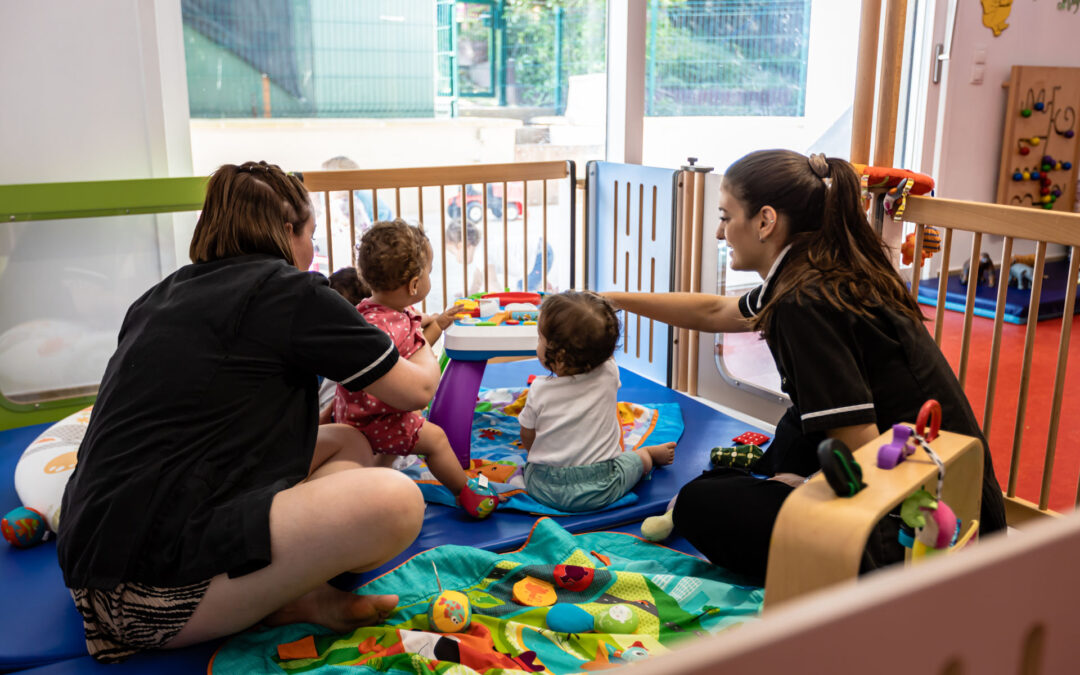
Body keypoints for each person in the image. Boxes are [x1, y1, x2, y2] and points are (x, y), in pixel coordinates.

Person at [57, 161, 441, 663]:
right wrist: (423, 336)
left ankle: (293, 593)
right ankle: (281, 592)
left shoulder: (161, 294)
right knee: (397, 501)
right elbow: (416, 390)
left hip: (91, 562)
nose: (311, 253)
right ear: (287, 233)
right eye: (310, 236)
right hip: (147, 595)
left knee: (348, 442)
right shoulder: (291, 292)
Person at [604, 150, 1008, 584]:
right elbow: (712, 310)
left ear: (765, 221)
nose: (721, 233)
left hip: (927, 535)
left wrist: (810, 487)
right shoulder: (823, 266)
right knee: (792, 427)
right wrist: (613, 300)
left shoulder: (803, 302)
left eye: (725, 217)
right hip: (965, 503)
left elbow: (862, 446)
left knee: (699, 502)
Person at [334, 220, 487, 515]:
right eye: (429, 270)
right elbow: (417, 361)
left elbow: (405, 359)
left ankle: (372, 481)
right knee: (436, 440)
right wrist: (432, 329)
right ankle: (465, 493)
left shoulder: (367, 310)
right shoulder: (398, 325)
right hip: (377, 418)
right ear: (415, 284)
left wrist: (438, 323)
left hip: (353, 413)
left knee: (388, 453)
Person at [518, 291, 676, 513]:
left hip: (545, 488)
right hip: (603, 485)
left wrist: (535, 454)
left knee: (530, 466)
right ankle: (649, 455)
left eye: (540, 338)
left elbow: (528, 434)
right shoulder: (609, 374)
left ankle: (648, 455)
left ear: (560, 356)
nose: (538, 343)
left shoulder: (540, 390)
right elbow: (606, 355)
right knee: (635, 460)